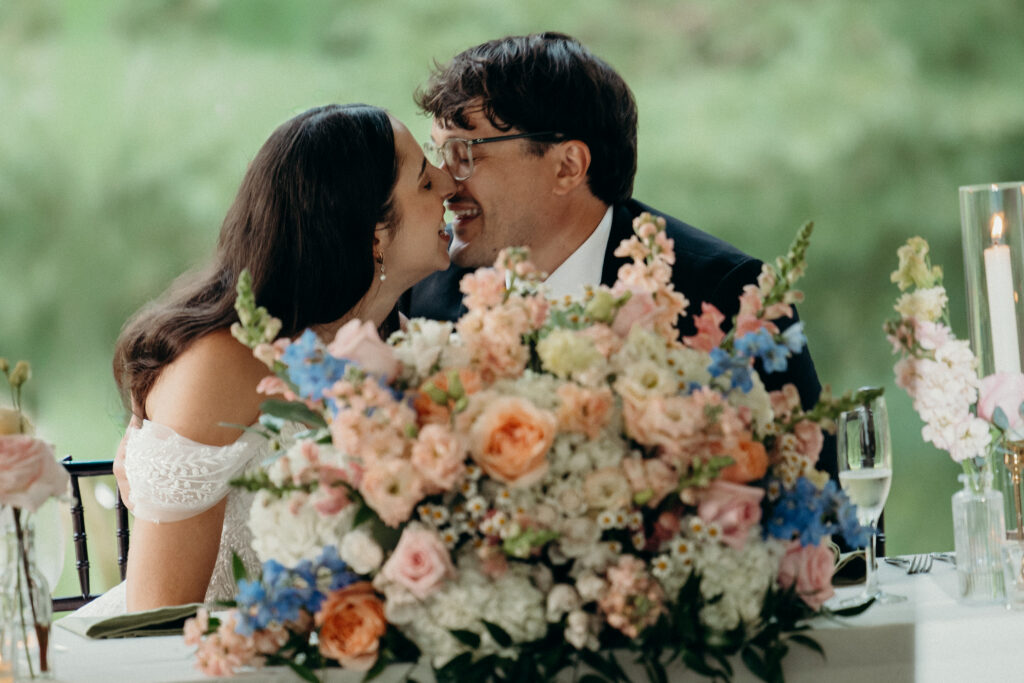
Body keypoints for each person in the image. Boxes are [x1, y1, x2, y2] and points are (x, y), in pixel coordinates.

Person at [403, 32, 838, 481]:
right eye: (439, 154)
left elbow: (831, 516)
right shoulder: (421, 294)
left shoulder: (730, 298)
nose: (444, 182)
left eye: (462, 153)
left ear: (568, 166)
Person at [83, 104, 455, 615]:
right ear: (374, 233)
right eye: (425, 183)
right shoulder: (219, 363)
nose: (449, 182)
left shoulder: (401, 340)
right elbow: (157, 615)